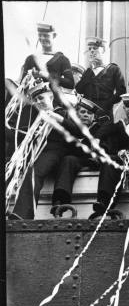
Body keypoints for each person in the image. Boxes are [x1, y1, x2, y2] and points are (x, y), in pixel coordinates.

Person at [11, 82, 81, 219]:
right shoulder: (35, 119)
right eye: (36, 100)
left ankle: (23, 214)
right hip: (37, 154)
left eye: (42, 98)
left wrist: (59, 118)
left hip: (55, 152)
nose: (39, 102)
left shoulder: (64, 113)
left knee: (34, 172)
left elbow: (80, 132)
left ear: (50, 96)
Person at [50, 98, 108, 216]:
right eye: (83, 112)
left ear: (93, 117)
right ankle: (60, 201)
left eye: (90, 113)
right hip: (76, 159)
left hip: (93, 160)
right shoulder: (70, 126)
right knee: (68, 160)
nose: (86, 115)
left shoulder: (99, 128)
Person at [75, 37, 127, 121]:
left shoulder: (113, 69)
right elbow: (79, 89)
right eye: (90, 49)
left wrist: (107, 104)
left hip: (105, 112)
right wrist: (89, 70)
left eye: (95, 48)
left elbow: (121, 92)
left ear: (103, 51)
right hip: (88, 113)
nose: (91, 51)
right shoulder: (88, 72)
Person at [20, 22, 74, 90]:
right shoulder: (31, 59)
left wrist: (48, 75)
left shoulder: (63, 59)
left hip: (54, 98)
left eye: (46, 35)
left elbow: (70, 83)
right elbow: (22, 84)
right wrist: (30, 77)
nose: (42, 38)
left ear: (54, 35)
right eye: (40, 35)